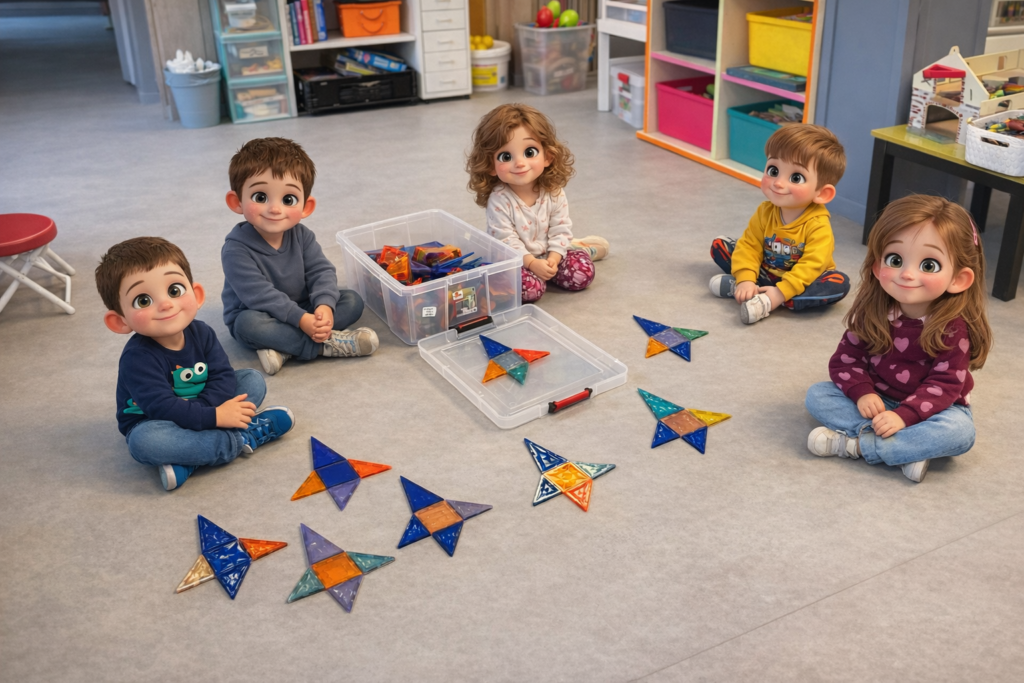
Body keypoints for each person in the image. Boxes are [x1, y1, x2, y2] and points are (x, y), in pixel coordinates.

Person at [804, 195, 993, 482]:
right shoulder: (873, 311)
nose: (906, 274)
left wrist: (905, 416)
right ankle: (907, 451)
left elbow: (944, 385)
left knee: (960, 432)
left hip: (934, 409)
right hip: (878, 400)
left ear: (959, 279)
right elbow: (846, 361)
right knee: (818, 396)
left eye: (928, 265)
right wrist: (863, 392)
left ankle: (854, 446)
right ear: (877, 267)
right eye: (895, 260)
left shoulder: (954, 328)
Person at [96, 237, 295, 491]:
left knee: (251, 380)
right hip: (156, 422)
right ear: (120, 321)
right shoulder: (137, 358)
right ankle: (239, 439)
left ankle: (190, 457)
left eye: (174, 290)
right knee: (144, 443)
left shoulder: (202, 332)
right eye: (143, 300)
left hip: (202, 407)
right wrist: (215, 416)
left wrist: (210, 415)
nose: (166, 304)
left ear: (196, 294)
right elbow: (162, 407)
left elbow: (222, 375)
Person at [222, 137, 378, 375]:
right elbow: (260, 296)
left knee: (352, 300)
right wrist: (302, 320)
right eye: (260, 197)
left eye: (288, 199)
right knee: (247, 325)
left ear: (306, 206)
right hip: (259, 313)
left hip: (303, 306)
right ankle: (325, 346)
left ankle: (285, 347)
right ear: (237, 202)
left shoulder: (302, 235)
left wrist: (324, 306)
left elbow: (321, 271)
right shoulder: (235, 249)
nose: (275, 209)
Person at [467, 103, 609, 304]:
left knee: (582, 276)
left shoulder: (553, 191)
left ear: (547, 157)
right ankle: (568, 253)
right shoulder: (499, 199)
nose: (520, 163)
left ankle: (580, 248)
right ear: (490, 165)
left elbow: (560, 228)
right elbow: (506, 240)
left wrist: (554, 259)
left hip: (549, 253)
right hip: (516, 259)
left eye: (529, 152)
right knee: (530, 291)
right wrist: (532, 264)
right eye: (506, 156)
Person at [709, 124, 849, 324]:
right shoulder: (765, 211)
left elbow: (812, 265)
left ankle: (773, 299)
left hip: (801, 281)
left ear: (822, 193)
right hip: (767, 272)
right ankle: (747, 286)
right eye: (773, 170)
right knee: (721, 245)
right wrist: (746, 277)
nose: (778, 183)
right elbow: (750, 245)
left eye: (796, 177)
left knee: (839, 283)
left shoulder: (818, 225)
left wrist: (780, 292)